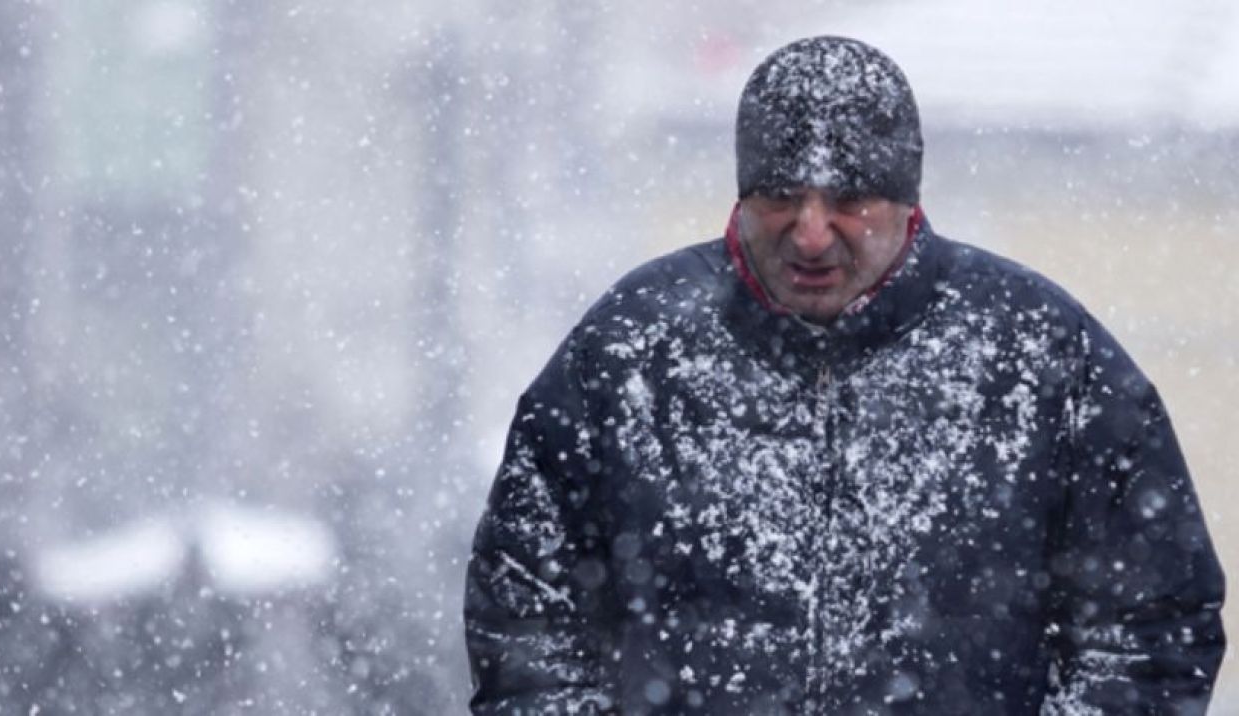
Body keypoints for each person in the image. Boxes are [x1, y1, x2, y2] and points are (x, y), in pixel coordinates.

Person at [464, 36, 1226, 715]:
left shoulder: (1039, 355)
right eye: (781, 196)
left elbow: (1152, 624)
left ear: (906, 204)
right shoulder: (631, 351)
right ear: (741, 195)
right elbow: (526, 611)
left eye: (850, 200)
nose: (811, 231)